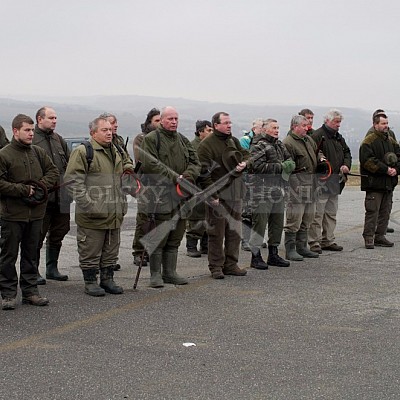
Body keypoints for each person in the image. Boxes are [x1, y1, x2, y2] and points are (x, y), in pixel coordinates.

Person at [64, 116, 134, 296]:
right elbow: (73, 182)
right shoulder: (83, 152)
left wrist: (128, 172)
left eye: (110, 130)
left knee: (111, 249)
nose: (109, 133)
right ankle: (90, 282)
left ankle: (107, 279)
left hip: (115, 210)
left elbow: (127, 165)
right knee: (91, 250)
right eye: (104, 130)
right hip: (93, 214)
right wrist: (89, 205)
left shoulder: (116, 149)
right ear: (93, 132)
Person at [0, 114, 59, 310]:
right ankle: (8, 294)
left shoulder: (38, 153)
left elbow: (53, 172)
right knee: (9, 256)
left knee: (31, 254)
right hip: (12, 215)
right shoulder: (4, 155)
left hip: (36, 215)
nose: (31, 133)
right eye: (27, 130)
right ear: (15, 131)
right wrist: (23, 190)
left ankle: (31, 292)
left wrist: (40, 186)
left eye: (32, 130)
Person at [138, 106, 201, 288]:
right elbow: (150, 165)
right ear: (162, 120)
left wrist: (188, 176)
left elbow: (195, 162)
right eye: (170, 119)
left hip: (181, 196)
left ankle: (170, 272)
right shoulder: (151, 139)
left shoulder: (182, 139)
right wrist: (175, 177)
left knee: (176, 235)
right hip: (161, 196)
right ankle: (155, 275)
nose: (174, 122)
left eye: (176, 119)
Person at [197, 111, 249, 279]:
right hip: (218, 196)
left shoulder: (233, 141)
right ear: (216, 125)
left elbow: (246, 154)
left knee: (234, 232)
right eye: (226, 123)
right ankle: (216, 267)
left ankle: (231, 264)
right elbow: (203, 173)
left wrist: (245, 163)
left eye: (230, 122)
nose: (229, 126)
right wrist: (212, 195)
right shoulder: (206, 145)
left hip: (235, 193)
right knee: (216, 233)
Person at [248, 118, 294, 269]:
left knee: (277, 223)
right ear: (265, 129)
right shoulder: (258, 145)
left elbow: (290, 160)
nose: (277, 130)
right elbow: (258, 167)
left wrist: (288, 164)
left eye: (278, 127)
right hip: (262, 190)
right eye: (274, 127)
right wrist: (281, 167)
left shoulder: (279, 144)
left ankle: (273, 254)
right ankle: (255, 257)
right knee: (259, 224)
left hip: (278, 189)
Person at [33, 107, 71, 284]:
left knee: (59, 231)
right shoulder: (32, 139)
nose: (54, 121)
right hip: (42, 198)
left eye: (56, 117)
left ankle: (52, 268)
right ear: (40, 119)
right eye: (50, 118)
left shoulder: (58, 140)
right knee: (37, 235)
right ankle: (32, 271)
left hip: (62, 196)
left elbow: (69, 164)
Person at [308, 109, 352, 253]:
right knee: (317, 214)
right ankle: (314, 242)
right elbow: (312, 157)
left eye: (339, 122)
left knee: (331, 213)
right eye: (336, 122)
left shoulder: (338, 137)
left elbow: (347, 152)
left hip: (336, 182)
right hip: (321, 182)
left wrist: (346, 165)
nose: (338, 125)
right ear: (327, 121)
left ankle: (328, 240)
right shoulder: (317, 136)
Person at [283, 115, 323, 261]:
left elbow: (317, 152)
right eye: (304, 125)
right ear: (295, 126)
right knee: (294, 219)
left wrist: (321, 159)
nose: (308, 128)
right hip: (298, 187)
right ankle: (290, 250)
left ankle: (302, 247)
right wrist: (296, 187)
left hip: (311, 185)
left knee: (308, 218)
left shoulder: (308, 140)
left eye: (307, 125)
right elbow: (289, 168)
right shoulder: (288, 143)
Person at [359, 113, 400, 249]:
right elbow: (367, 161)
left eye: (387, 123)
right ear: (375, 124)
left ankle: (380, 236)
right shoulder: (368, 142)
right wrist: (386, 169)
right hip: (374, 184)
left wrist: (396, 169)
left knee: (385, 211)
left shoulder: (391, 141)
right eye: (383, 123)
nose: (386, 126)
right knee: (372, 211)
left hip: (389, 183)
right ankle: (369, 237)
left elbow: (399, 156)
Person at [132, 108, 161, 267]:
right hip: (146, 183)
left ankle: (152, 250)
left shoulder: (164, 139)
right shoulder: (141, 138)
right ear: (149, 122)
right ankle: (138, 251)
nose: (160, 123)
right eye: (157, 120)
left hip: (163, 185)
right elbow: (142, 160)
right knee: (144, 218)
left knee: (158, 219)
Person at [185, 120, 213, 257]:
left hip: (209, 184)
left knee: (209, 216)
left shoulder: (209, 146)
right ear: (200, 131)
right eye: (208, 130)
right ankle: (191, 245)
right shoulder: (192, 146)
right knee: (196, 216)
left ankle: (205, 245)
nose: (211, 133)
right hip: (196, 185)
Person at [239, 118, 264, 251]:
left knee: (259, 211)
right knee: (247, 211)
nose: (263, 130)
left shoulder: (264, 142)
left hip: (260, 180)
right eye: (261, 128)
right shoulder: (245, 140)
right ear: (254, 129)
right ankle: (245, 240)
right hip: (248, 179)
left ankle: (256, 238)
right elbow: (245, 158)